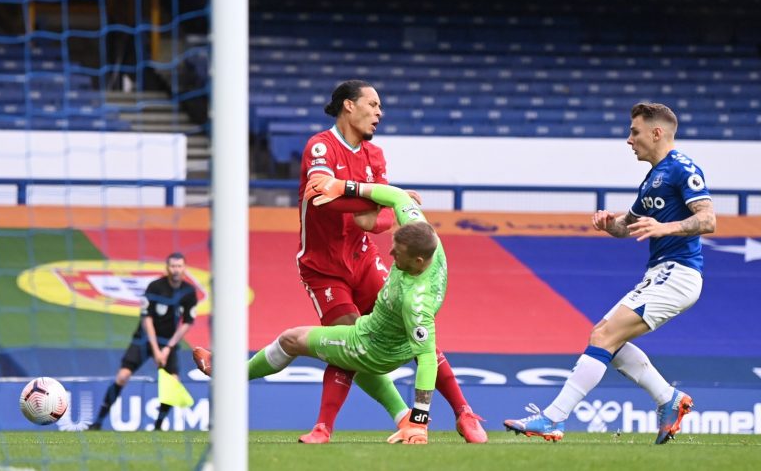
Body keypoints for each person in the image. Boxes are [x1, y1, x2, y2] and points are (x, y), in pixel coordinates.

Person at [503, 102, 716, 444]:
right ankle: (668, 398)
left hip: (679, 274)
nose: (629, 140)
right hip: (661, 274)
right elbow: (626, 225)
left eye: (634, 132)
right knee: (604, 338)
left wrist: (666, 227)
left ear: (656, 133)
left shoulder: (682, 168)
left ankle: (553, 418)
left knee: (604, 337)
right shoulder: (652, 180)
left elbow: (708, 218)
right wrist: (609, 224)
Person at [291, 79, 486, 443]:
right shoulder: (321, 146)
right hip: (322, 266)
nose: (380, 113)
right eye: (373, 104)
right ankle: (325, 427)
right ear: (349, 105)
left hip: (364, 258)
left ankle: (464, 412)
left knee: (411, 326)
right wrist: (381, 199)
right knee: (348, 339)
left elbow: (374, 222)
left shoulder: (375, 155)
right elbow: (321, 195)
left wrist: (377, 206)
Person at [196, 179, 452, 444]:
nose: (390, 253)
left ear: (417, 261)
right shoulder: (425, 238)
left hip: (372, 346)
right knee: (327, 340)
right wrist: (344, 187)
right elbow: (398, 197)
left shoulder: (416, 302)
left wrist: (420, 422)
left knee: (290, 340)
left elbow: (427, 359)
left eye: (398, 254)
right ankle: (403, 415)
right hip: (383, 333)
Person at [88, 252, 198, 431]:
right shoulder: (155, 287)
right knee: (122, 376)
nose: (176, 270)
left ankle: (158, 426)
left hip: (168, 343)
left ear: (184, 268)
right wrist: (156, 350)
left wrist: (167, 348)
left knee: (173, 382)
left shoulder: (188, 292)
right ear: (167, 268)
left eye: (179, 266)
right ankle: (98, 422)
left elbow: (187, 322)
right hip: (145, 339)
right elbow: (147, 319)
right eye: (173, 266)